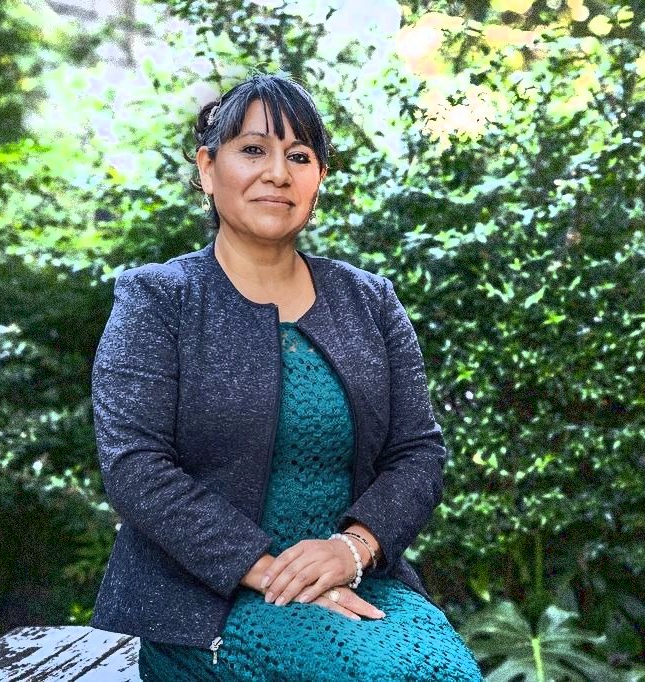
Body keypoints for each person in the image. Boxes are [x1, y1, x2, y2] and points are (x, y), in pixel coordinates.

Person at [89, 72, 483, 681]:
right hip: (207, 601)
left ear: (318, 178)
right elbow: (134, 465)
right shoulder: (158, 300)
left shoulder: (370, 301)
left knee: (445, 673)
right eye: (253, 150)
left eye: (299, 156)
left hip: (357, 578)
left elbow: (417, 452)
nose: (277, 173)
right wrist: (272, 571)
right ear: (208, 168)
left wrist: (352, 549)